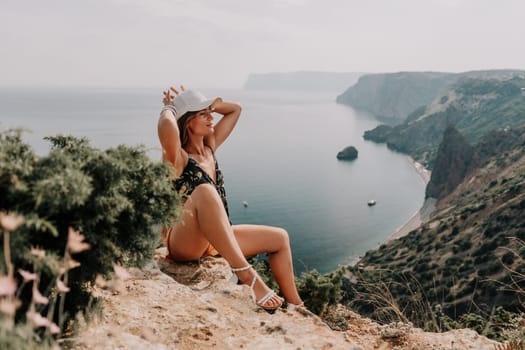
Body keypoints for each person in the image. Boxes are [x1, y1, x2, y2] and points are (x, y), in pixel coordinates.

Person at [157, 85, 303, 312]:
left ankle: (297, 305)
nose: (211, 117)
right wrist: (171, 107)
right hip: (183, 244)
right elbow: (167, 127)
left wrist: (208, 104)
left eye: (209, 112)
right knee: (205, 190)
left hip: (213, 241)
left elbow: (235, 109)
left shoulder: (209, 148)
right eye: (203, 114)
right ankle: (246, 275)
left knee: (280, 238)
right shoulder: (178, 159)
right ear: (188, 122)